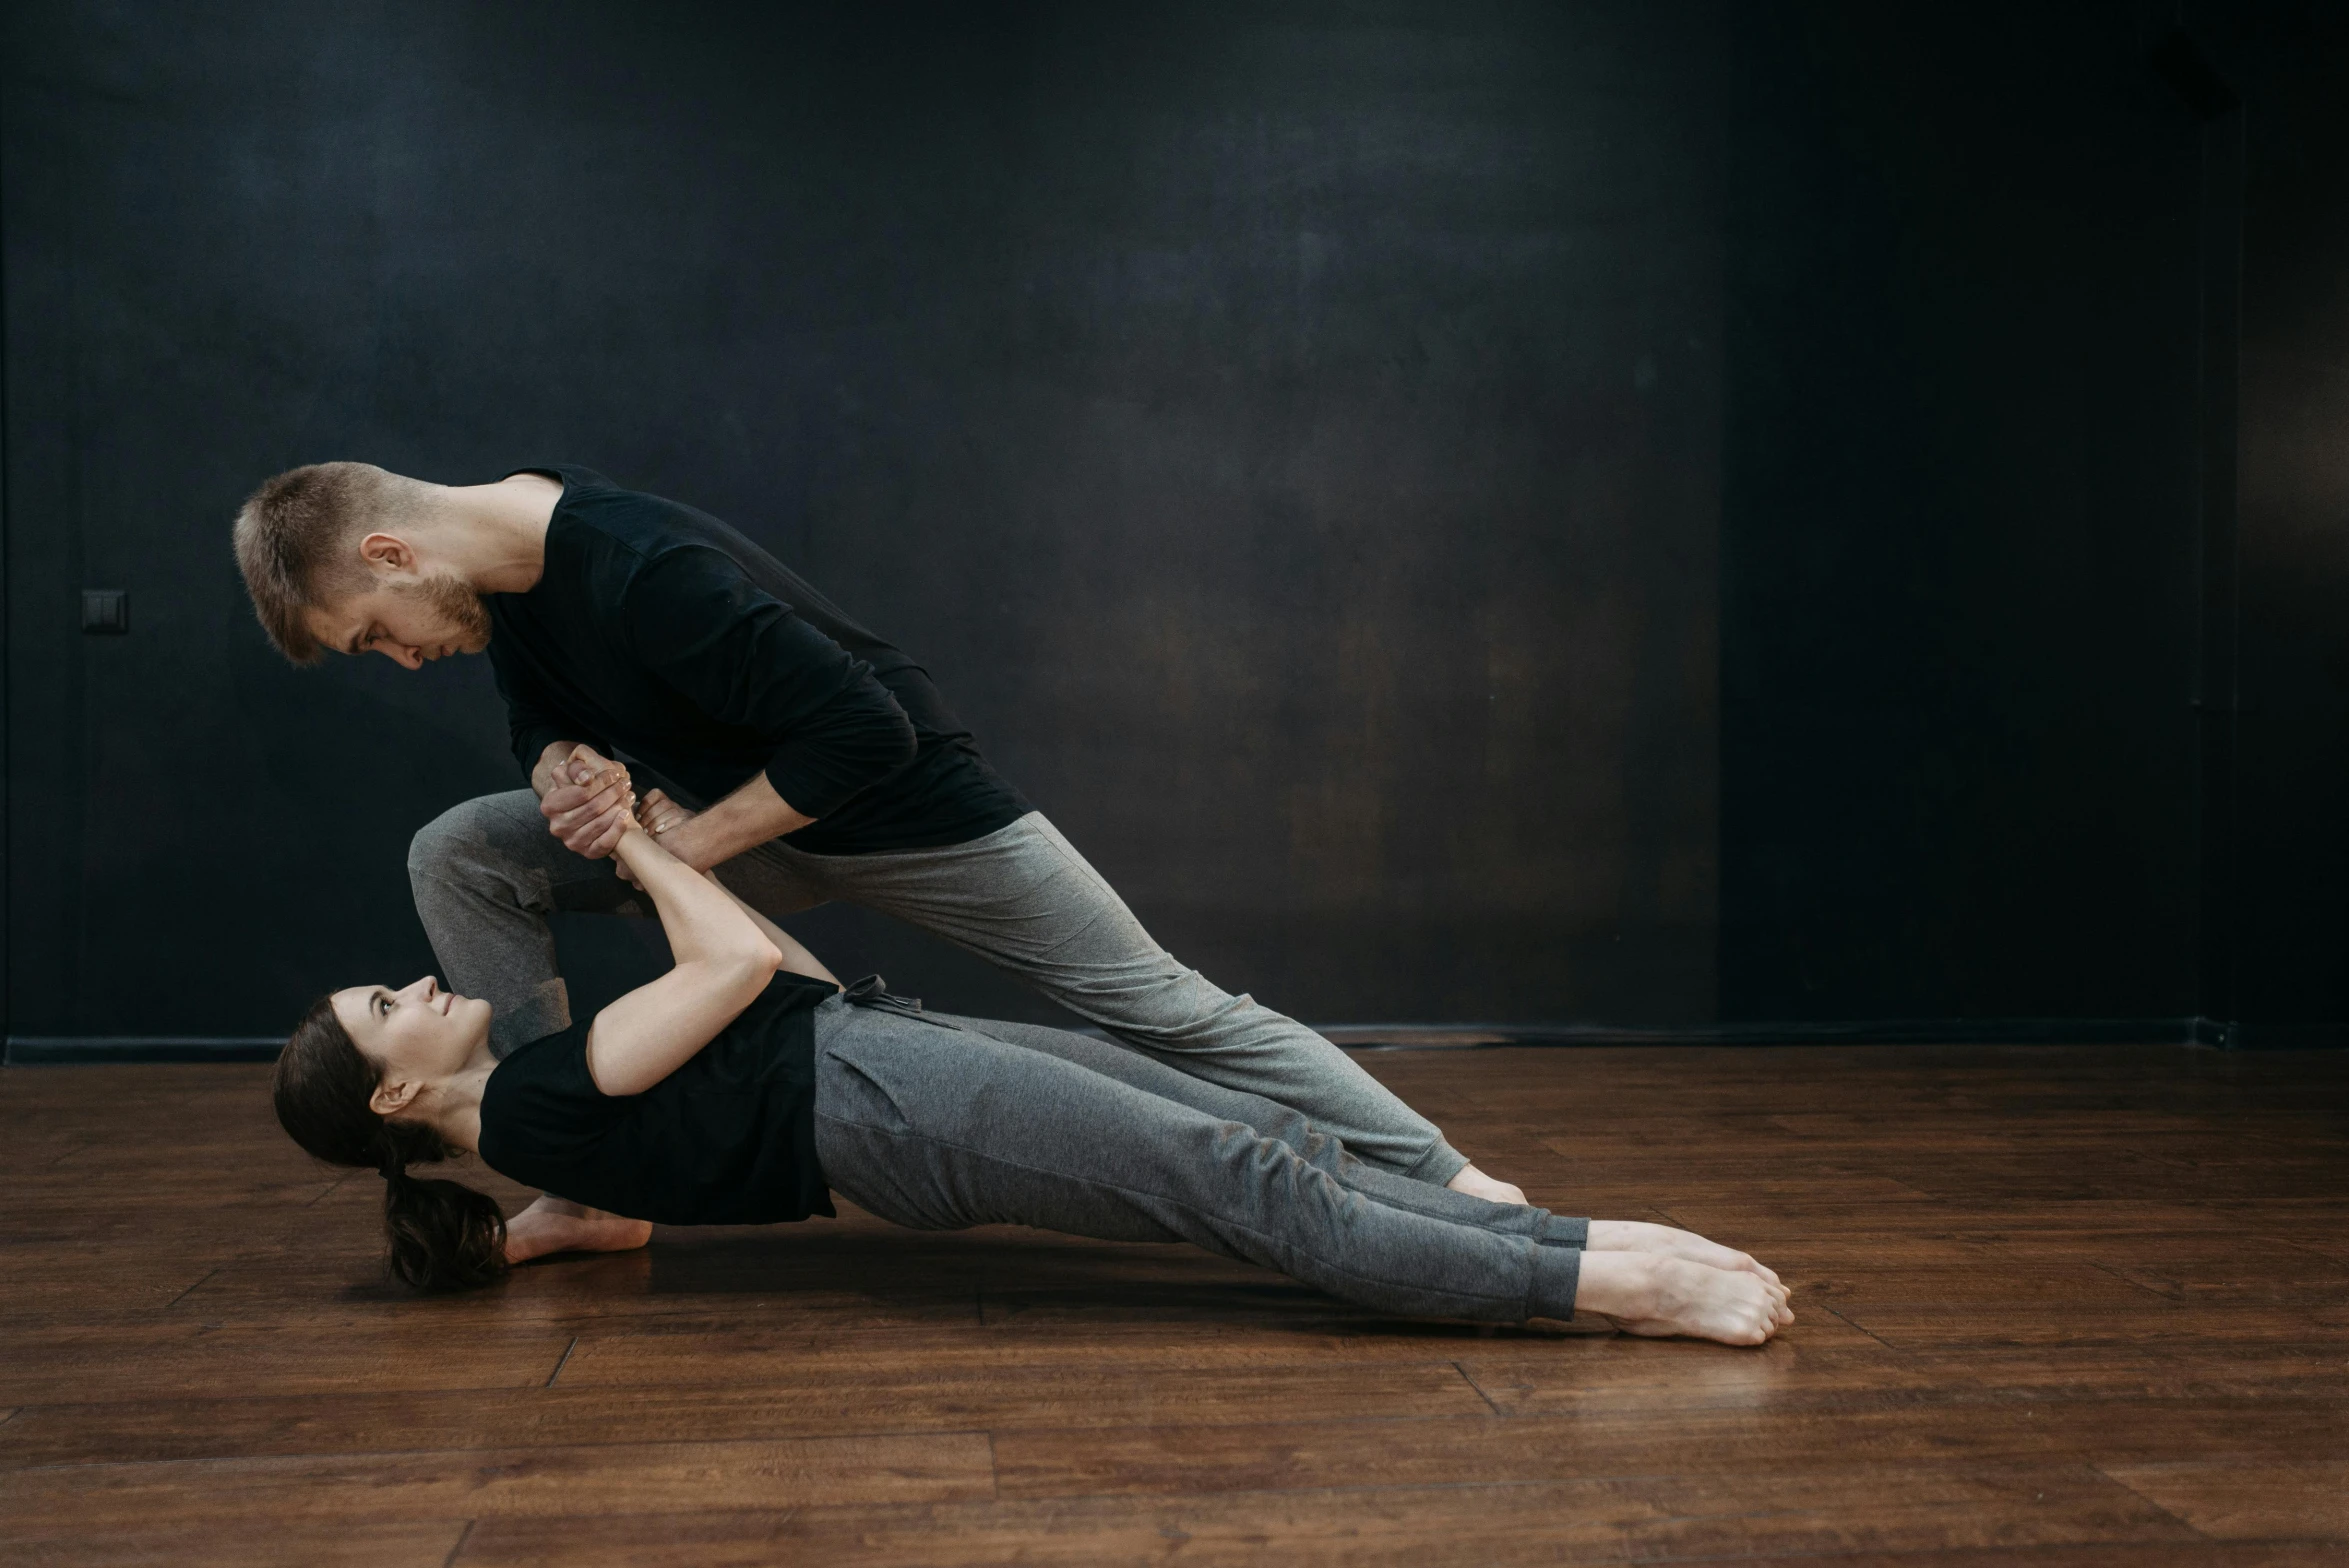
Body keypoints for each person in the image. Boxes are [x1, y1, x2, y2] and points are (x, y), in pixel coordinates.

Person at [233, 461, 1529, 1264]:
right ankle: (581, 1177)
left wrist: (674, 848)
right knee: (460, 848)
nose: (401, 660)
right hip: (734, 833)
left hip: (911, 816)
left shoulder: (639, 571)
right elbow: (538, 710)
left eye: (374, 636)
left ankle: (1454, 1180)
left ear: (390, 555)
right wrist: (560, 765)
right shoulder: (503, 582)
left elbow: (868, 732)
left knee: (1161, 1004)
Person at [273, 802, 1794, 1344]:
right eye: (386, 1005)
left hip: (879, 1058)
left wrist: (667, 862)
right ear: (399, 1096)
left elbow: (775, 985)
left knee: (1257, 1130)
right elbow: (737, 972)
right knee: (1241, 1178)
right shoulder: (545, 1105)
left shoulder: (564, 1113)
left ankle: (1560, 1241)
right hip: (887, 1110)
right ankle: (1601, 1287)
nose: (420, 983)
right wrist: (648, 846)